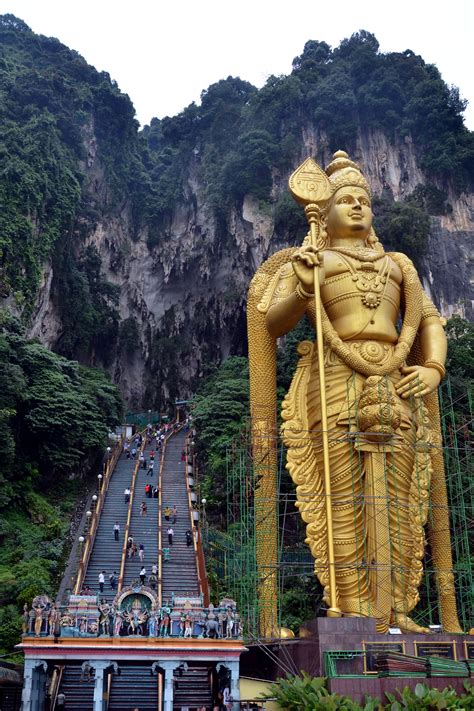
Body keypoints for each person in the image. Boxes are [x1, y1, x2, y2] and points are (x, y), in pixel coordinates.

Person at [248, 150, 461, 634]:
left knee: (400, 497)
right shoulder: (313, 260)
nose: (358, 206)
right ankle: (355, 609)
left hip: (397, 380)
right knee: (342, 497)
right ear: (325, 212)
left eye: (364, 199)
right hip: (334, 379)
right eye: (345, 200)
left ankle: (396, 608)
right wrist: (303, 289)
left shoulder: (399, 265)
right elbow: (272, 323)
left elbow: (428, 321)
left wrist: (433, 367)